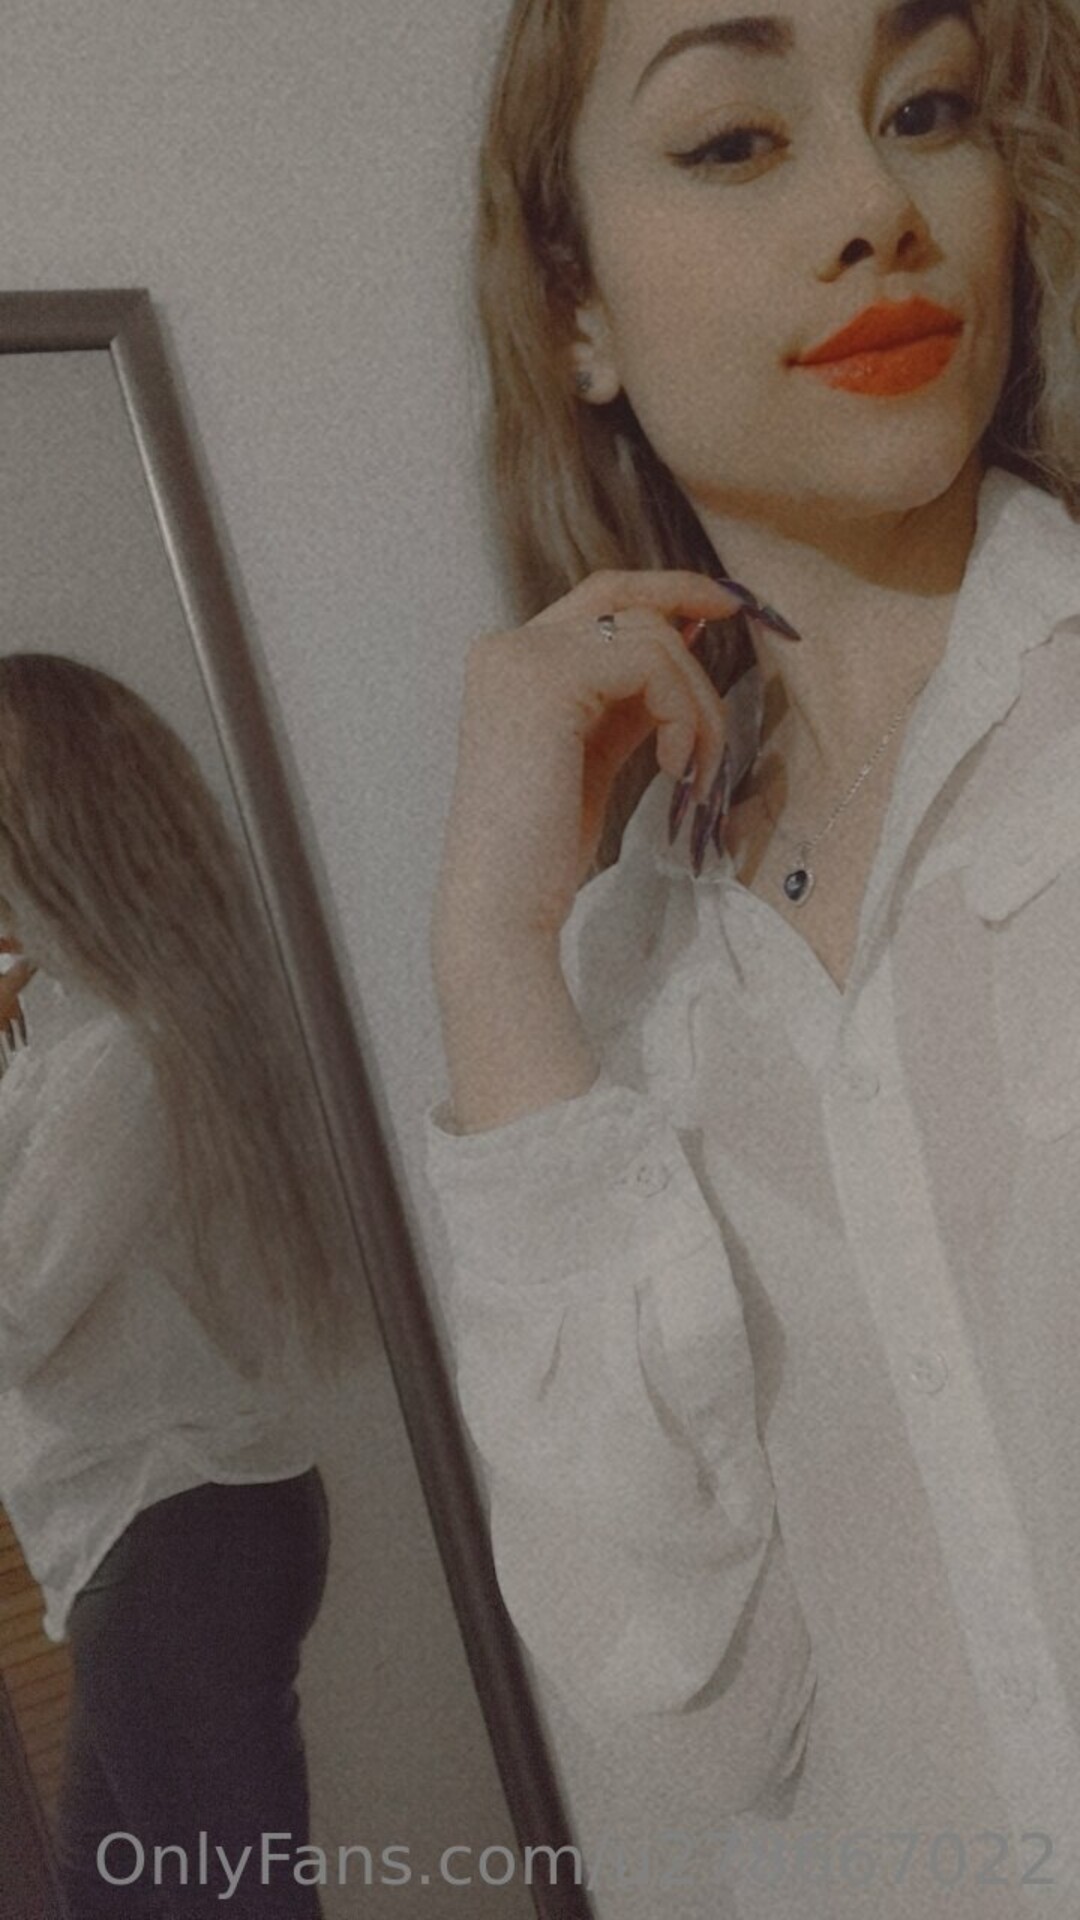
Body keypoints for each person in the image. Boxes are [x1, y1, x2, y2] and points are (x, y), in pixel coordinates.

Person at [423, 1, 1080, 1915]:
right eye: (736, 141)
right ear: (575, 309)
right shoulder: (629, 970)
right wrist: (496, 965)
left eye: (927, 108)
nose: (879, 203)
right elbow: (700, 1720)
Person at [0, 653, 364, 1918]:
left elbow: (10, 1320)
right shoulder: (80, 1041)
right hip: (169, 1535)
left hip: (173, 1538)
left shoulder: (120, 1058)